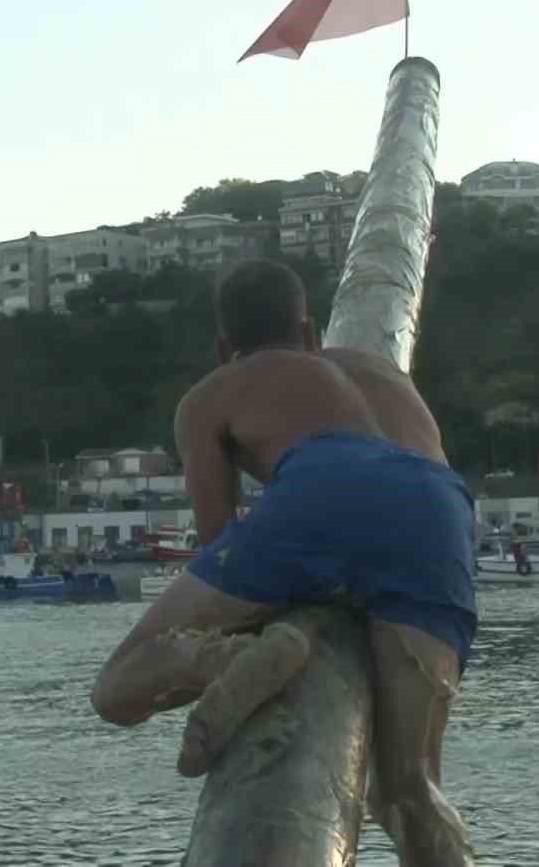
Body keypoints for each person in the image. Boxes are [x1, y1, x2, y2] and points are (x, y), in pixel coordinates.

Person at [91, 260, 476, 866]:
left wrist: (245, 628)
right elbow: (408, 475)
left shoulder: (214, 393)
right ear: (311, 331)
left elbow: (219, 537)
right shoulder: (382, 373)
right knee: (408, 788)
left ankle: (239, 660)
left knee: (116, 690)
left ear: (225, 347)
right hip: (437, 506)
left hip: (325, 482)